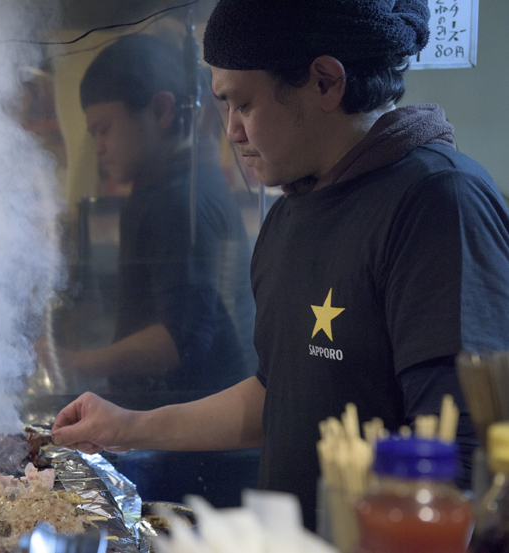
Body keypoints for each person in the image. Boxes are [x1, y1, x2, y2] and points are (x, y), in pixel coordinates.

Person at [50, 0, 509, 531]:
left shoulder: (436, 202)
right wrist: (127, 426)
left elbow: (465, 455)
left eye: (241, 105)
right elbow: (279, 395)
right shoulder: (290, 214)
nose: (231, 132)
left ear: (325, 82)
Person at [37, 33, 260, 505]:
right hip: (173, 433)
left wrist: (73, 362)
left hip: (199, 449)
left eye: (104, 128)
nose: (96, 145)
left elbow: (177, 339)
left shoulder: (180, 200)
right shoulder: (157, 188)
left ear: (160, 111)